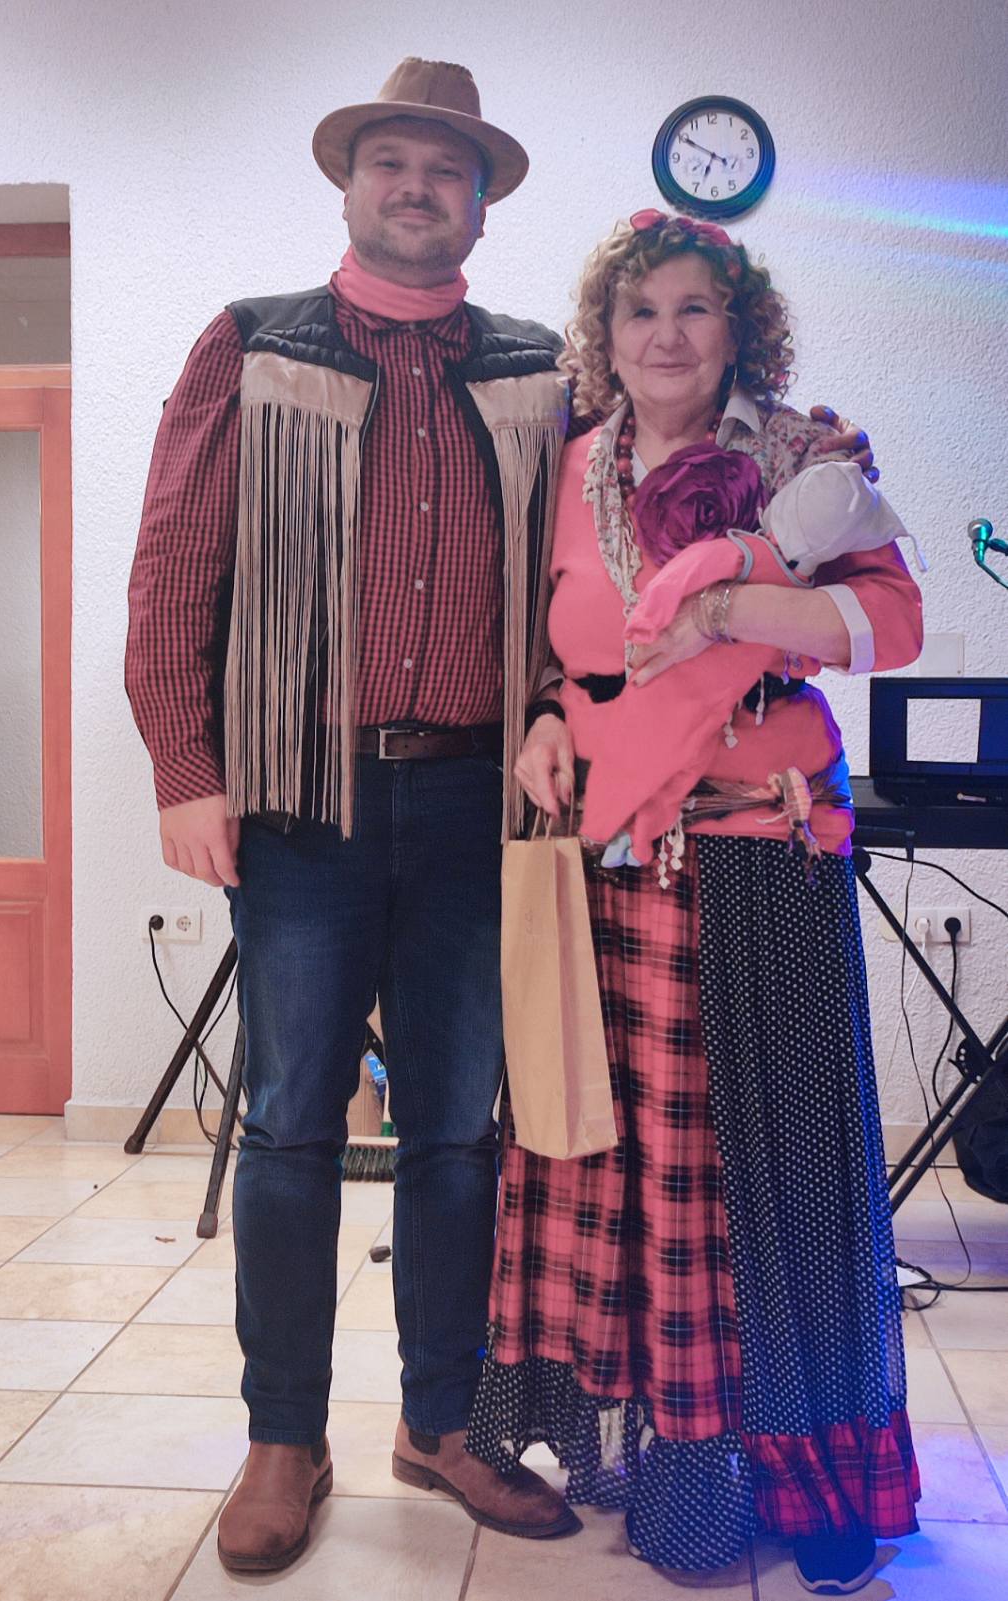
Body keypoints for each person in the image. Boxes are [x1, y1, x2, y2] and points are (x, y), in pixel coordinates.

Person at [125, 58, 874, 1575]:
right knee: (289, 1125)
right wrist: (183, 769)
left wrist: (556, 704)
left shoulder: (544, 372)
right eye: (392, 162)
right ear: (351, 183)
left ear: (481, 204)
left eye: (446, 171)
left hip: (487, 806)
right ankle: (285, 1437)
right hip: (299, 797)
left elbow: (585, 580)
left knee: (468, 1130)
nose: (417, 188)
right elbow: (173, 568)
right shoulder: (249, 346)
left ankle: (442, 1420)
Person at [465, 211, 923, 1598]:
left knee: (770, 1176)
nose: (665, 335)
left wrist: (727, 608)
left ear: (740, 329)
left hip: (758, 861)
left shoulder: (803, 462)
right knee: (617, 1169)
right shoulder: (571, 468)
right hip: (608, 867)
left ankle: (808, 1473)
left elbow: (889, 626)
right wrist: (547, 715)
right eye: (639, 312)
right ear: (604, 338)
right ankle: (654, 1457)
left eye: (694, 309)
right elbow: (555, 644)